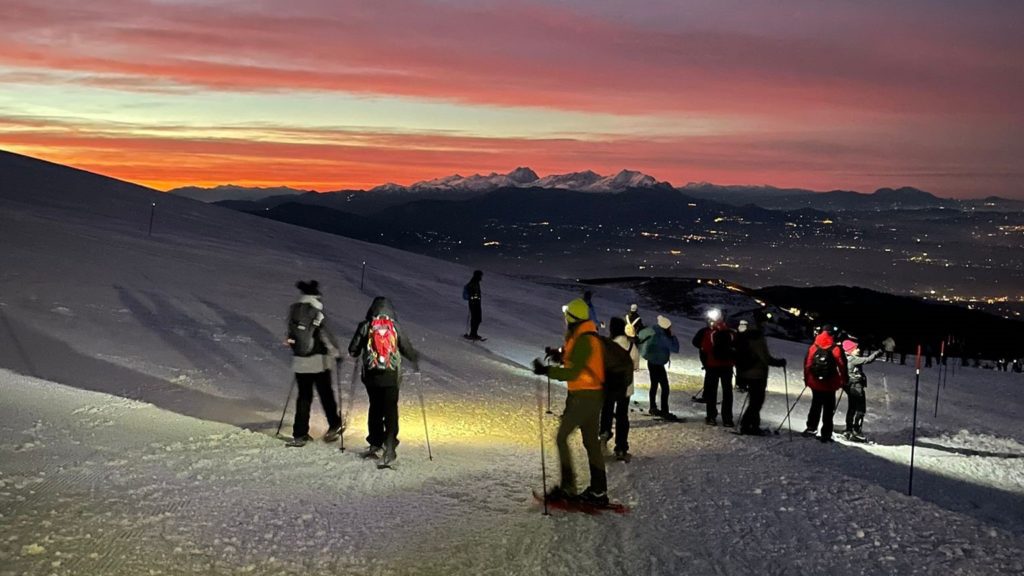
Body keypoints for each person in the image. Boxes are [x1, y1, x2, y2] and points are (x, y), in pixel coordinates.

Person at [532, 298, 608, 505]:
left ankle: (568, 488)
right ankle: (599, 491)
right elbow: (578, 361)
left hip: (583, 398)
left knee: (561, 437)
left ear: (572, 319)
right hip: (592, 396)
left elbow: (575, 372)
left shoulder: (584, 340)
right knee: (591, 444)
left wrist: (547, 370)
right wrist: (559, 356)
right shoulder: (585, 336)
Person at [348, 296, 420, 466]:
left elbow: (353, 350)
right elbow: (406, 349)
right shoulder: (395, 327)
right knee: (390, 410)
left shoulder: (366, 326)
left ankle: (375, 442)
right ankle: (390, 444)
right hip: (391, 376)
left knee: (375, 408)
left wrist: (358, 351)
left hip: (372, 377)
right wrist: (414, 359)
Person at [285, 280, 343, 447]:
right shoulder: (315, 311)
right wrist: (336, 352)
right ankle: (335, 424)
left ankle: (300, 433)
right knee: (325, 394)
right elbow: (325, 334)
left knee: (304, 396)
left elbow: (291, 334)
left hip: (300, 361)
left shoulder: (294, 310)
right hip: (318, 360)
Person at [735, 311, 786, 435]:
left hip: (746, 372)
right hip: (757, 373)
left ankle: (753, 425)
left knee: (754, 401)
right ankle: (747, 426)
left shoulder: (747, 334)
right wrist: (779, 362)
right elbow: (764, 357)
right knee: (756, 402)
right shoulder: (757, 336)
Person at [802, 325, 848, 442]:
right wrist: (844, 380)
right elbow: (842, 365)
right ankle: (826, 434)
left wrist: (807, 379)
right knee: (828, 408)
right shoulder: (835, 349)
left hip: (815, 382)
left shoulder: (814, 346)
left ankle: (811, 428)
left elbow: (807, 364)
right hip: (829, 384)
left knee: (815, 405)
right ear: (832, 335)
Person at [600, 317, 633, 461]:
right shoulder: (631, 346)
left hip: (608, 385)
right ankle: (621, 447)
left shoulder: (607, 345)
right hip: (626, 386)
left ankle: (604, 435)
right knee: (622, 416)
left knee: (607, 411)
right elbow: (636, 364)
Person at [637, 315, 681, 419]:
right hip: (658, 364)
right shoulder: (662, 336)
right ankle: (665, 411)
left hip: (651, 362)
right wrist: (673, 336)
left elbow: (640, 335)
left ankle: (653, 407)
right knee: (665, 387)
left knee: (654, 385)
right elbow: (675, 348)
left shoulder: (652, 330)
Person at [699, 317, 737, 426]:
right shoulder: (731, 334)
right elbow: (737, 349)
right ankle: (727, 419)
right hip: (727, 367)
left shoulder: (710, 333)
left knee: (712, 392)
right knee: (727, 392)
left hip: (712, 366)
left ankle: (711, 417)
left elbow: (705, 348)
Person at [842, 340, 880, 442]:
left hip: (850, 386)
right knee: (861, 409)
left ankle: (848, 429)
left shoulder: (846, 358)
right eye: (855, 348)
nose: (858, 350)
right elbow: (867, 360)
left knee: (852, 408)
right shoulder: (853, 359)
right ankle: (856, 430)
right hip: (856, 387)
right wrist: (878, 352)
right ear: (850, 351)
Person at [463, 270, 483, 340]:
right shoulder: (473, 283)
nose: (481, 277)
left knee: (477, 319)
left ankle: (474, 333)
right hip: (474, 303)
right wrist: (474, 298)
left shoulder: (475, 282)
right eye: (480, 275)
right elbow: (472, 294)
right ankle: (473, 334)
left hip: (476, 303)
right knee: (476, 318)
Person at [624, 304, 644, 371]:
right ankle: (634, 367)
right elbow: (640, 327)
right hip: (633, 337)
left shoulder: (626, 316)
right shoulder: (638, 318)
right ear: (636, 309)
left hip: (626, 335)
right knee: (634, 352)